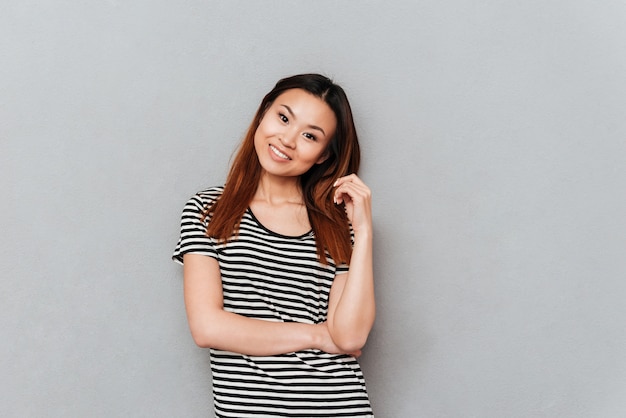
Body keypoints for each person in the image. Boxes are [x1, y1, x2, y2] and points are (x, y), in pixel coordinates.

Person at [173, 73, 375, 417]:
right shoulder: (209, 211)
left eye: (310, 135)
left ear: (324, 155)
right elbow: (207, 327)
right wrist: (315, 336)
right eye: (283, 118)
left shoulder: (338, 224)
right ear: (264, 113)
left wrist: (364, 230)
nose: (288, 139)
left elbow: (350, 337)